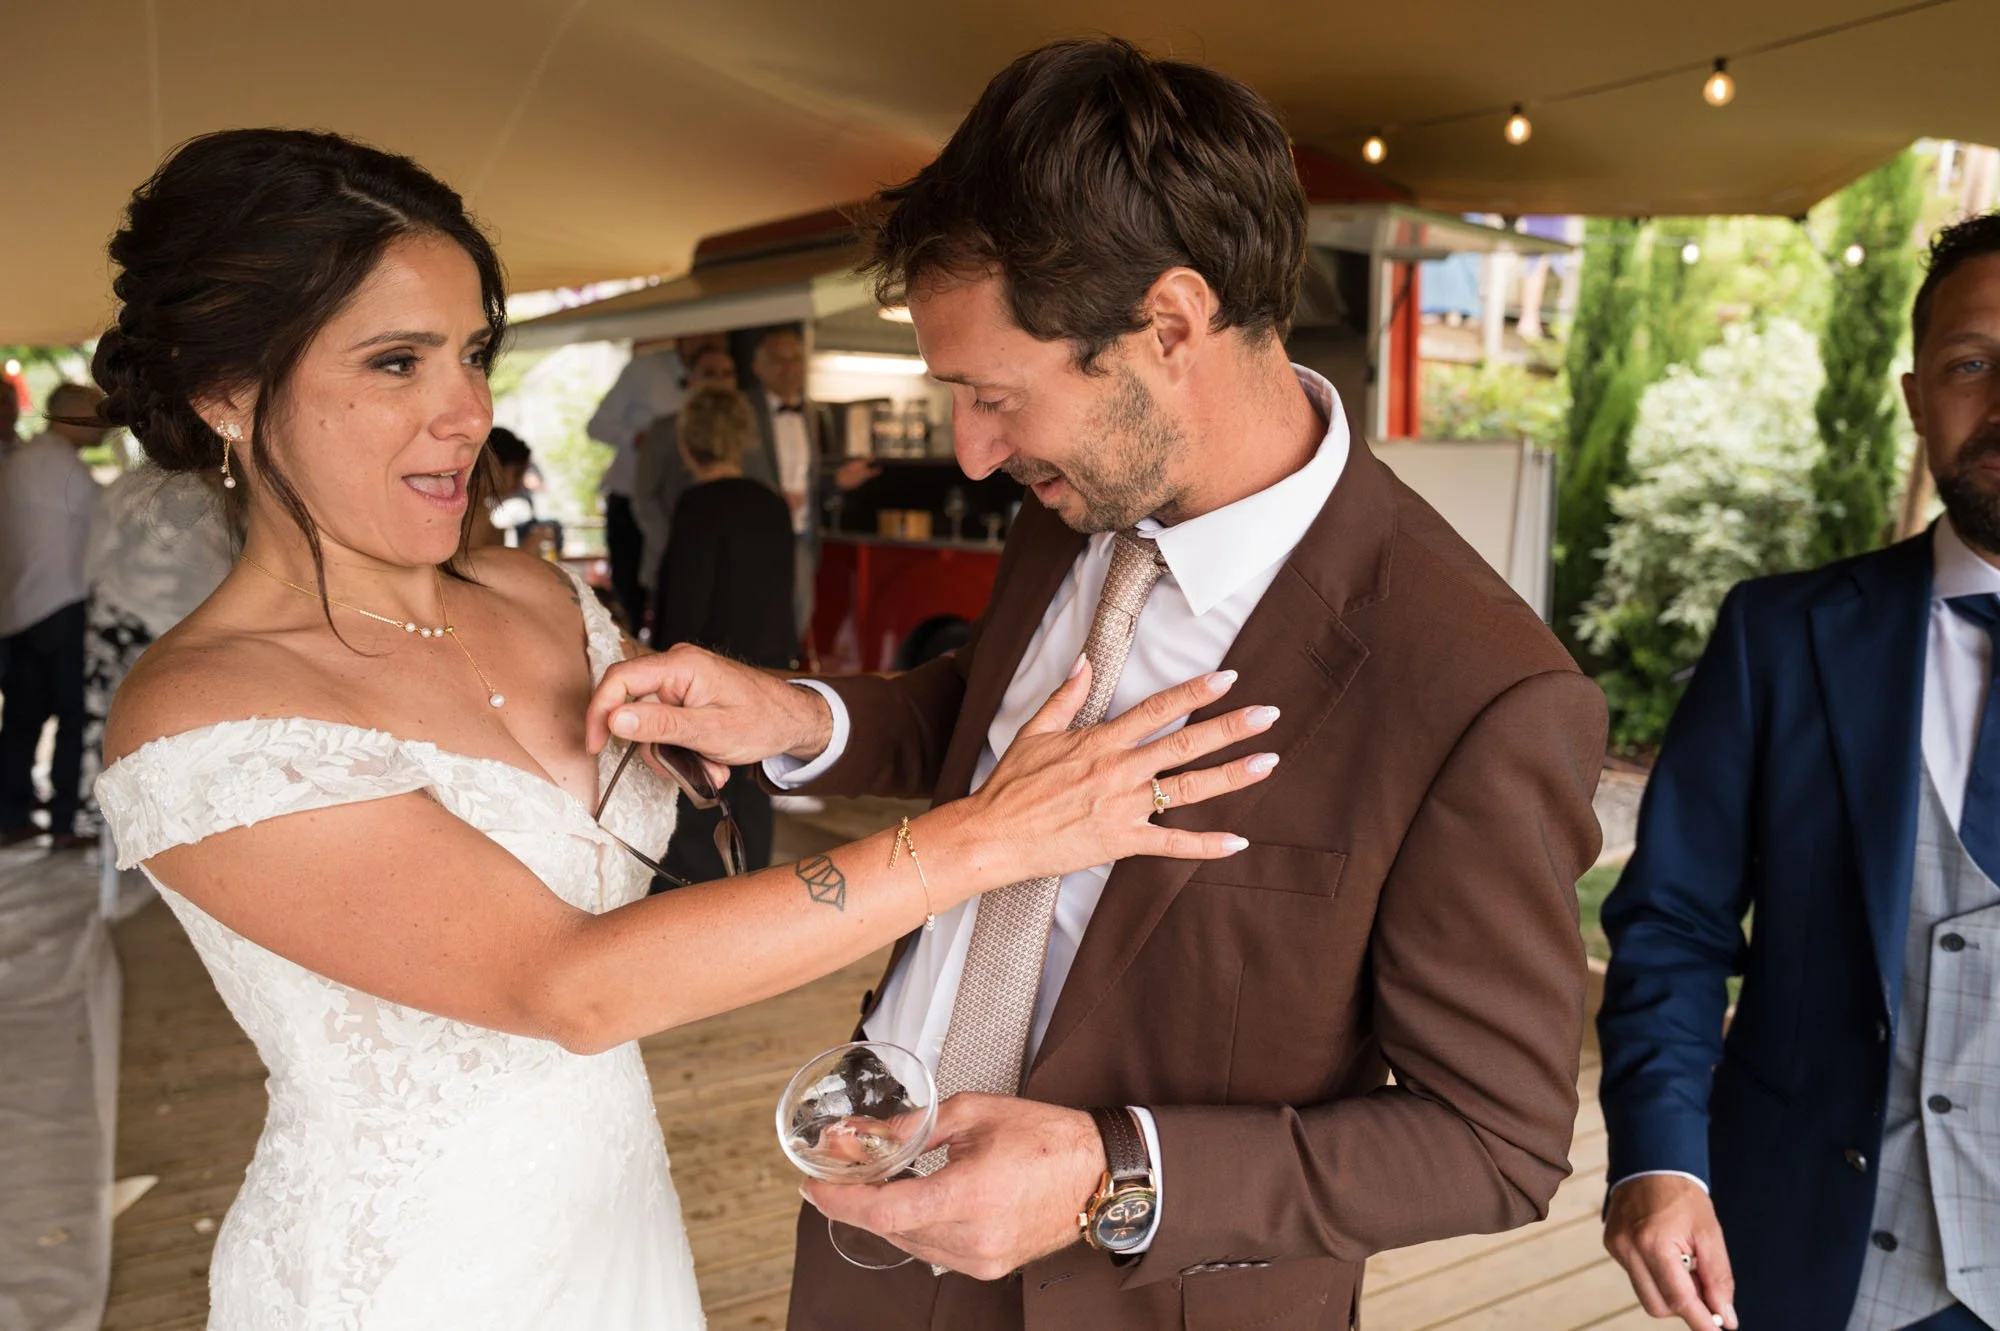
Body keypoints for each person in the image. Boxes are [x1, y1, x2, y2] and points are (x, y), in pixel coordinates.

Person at [86, 126, 1271, 1331]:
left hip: (615, 1218)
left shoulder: (541, 599)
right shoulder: (199, 715)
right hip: (402, 1273)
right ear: (224, 392)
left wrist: (764, 712)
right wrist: (988, 839)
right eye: (397, 362)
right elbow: (564, 985)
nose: (465, 412)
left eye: (473, 353)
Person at [594, 38, 1608, 1330]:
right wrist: (806, 714)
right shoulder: (1076, 491)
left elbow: (1497, 1143)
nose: (973, 452)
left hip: (1150, 1294)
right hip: (872, 1228)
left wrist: (1109, 1175)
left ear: (1170, 325)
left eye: (993, 395)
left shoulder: (1481, 691)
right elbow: (1005, 719)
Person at [1598, 211, 2000, 1331]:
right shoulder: (1776, 636)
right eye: (1972, 362)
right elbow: (1670, 925)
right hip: (1810, 1262)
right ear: (1918, 397)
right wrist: (1658, 1160)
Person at [650, 384, 795, 878]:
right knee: (755, 787)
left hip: (709, 670)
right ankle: (751, 884)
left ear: (687, 444)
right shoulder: (772, 503)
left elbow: (685, 596)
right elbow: (784, 590)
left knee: (702, 792)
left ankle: (702, 893)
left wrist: (664, 665)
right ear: (743, 440)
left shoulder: (698, 504)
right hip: (768, 662)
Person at [78, 466, 235, 835]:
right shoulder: (189, 493)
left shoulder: (123, 484)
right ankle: (155, 828)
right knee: (165, 731)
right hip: (164, 622)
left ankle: (110, 823)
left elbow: (92, 552)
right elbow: (210, 566)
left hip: (111, 615)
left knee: (112, 723)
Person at [0, 382, 106, 850]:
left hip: (19, 608)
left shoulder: (22, 460)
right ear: (73, 415)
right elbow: (101, 541)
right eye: (97, 412)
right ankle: (66, 822)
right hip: (62, 605)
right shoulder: (61, 466)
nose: (106, 422)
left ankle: (11, 817)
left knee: (22, 721)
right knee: (72, 715)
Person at [744, 326, 879, 636]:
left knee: (799, 615)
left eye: (796, 360)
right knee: (756, 619)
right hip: (756, 533)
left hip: (801, 533)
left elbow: (810, 476)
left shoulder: (811, 413)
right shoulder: (743, 411)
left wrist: (837, 480)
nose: (790, 368)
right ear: (758, 367)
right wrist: (771, 499)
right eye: (779, 360)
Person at [585, 339, 700, 633]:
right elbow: (597, 426)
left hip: (683, 504)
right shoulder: (643, 370)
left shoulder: (715, 378)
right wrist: (638, 439)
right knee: (631, 591)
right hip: (631, 497)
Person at [631, 342, 738, 598]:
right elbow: (644, 498)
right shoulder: (665, 430)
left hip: (730, 564)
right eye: (710, 373)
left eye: (727, 374)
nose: (719, 381)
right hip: (674, 560)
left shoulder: (745, 433)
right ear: (691, 379)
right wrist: (680, 544)